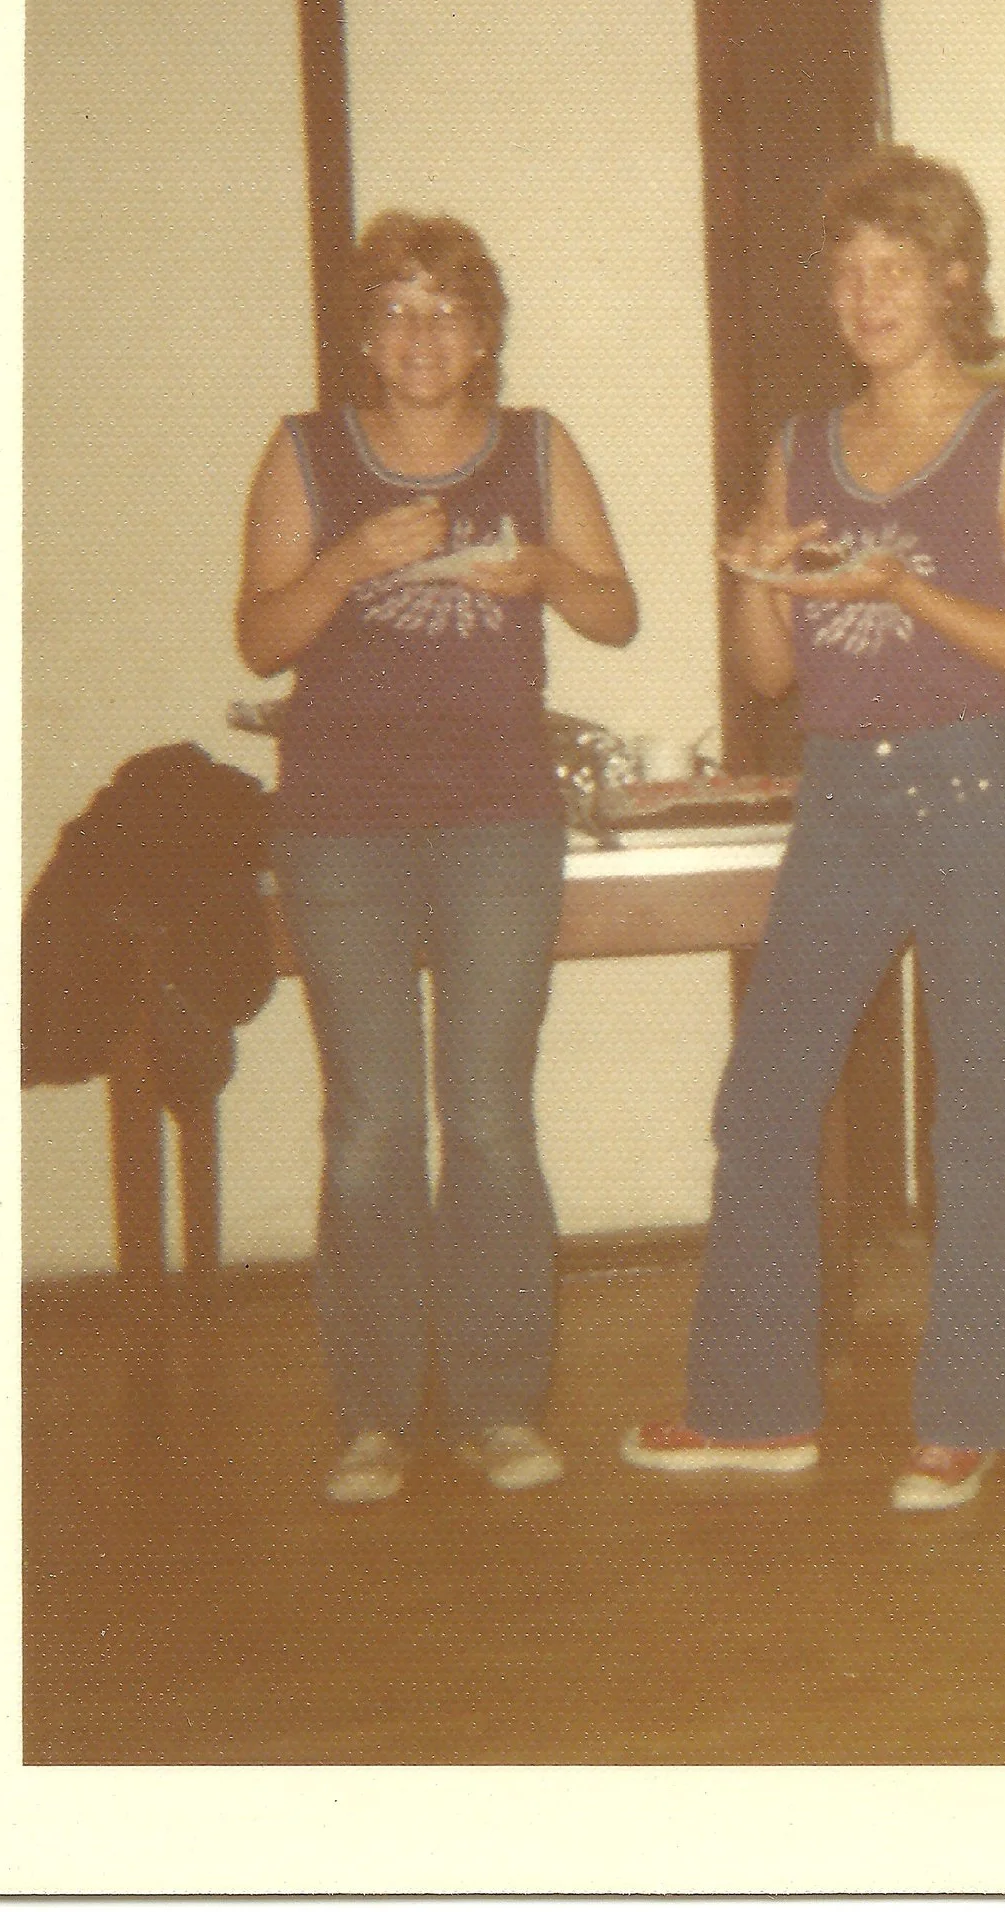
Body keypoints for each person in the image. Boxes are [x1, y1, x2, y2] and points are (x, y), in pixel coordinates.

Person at [623, 146, 1005, 1513]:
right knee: (765, 1098)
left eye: (897, 270)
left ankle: (969, 1419)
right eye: (848, 273)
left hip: (980, 790)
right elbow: (771, 674)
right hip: (843, 798)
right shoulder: (802, 448)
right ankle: (754, 1411)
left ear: (952, 283)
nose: (869, 297)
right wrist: (756, 580)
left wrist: (905, 591)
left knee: (977, 1114)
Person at [237, 212, 639, 1506]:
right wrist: (350, 560)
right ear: (366, 335)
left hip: (496, 822)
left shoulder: (536, 447)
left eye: (447, 310)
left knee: (489, 1115)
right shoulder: (307, 453)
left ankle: (499, 1406)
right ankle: (372, 1419)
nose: (422, 334)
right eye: (397, 310)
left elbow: (617, 612)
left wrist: (545, 572)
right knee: (370, 1125)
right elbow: (260, 639)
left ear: (483, 337)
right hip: (340, 826)